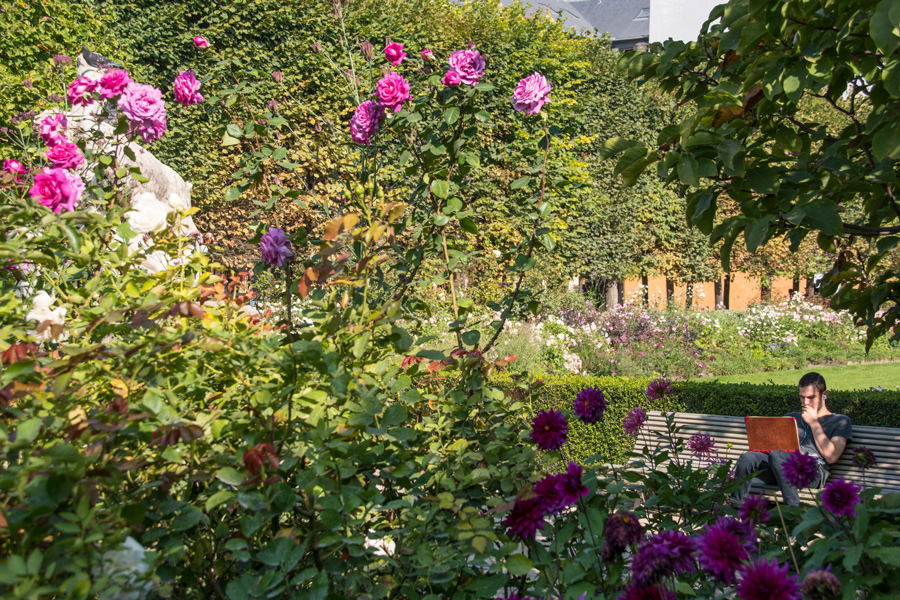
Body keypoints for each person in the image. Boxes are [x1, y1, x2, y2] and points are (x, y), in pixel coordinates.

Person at [731, 372, 852, 506]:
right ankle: (737, 507)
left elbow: (832, 456)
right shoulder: (791, 418)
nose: (805, 403)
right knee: (748, 457)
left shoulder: (840, 421)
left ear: (824, 395)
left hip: (811, 472)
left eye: (811, 398)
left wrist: (814, 423)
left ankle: (793, 510)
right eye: (802, 397)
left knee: (778, 455)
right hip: (780, 467)